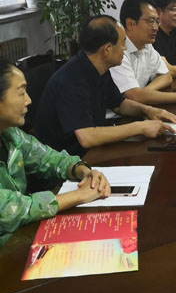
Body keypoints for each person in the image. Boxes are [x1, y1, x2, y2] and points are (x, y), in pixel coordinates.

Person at [0, 57, 110, 247]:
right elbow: (9, 210)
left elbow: (49, 158)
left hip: (17, 239)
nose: (28, 100)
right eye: (21, 93)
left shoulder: (11, 135)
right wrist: (77, 196)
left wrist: (82, 171)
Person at [35, 16, 176, 156]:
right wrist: (140, 127)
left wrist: (148, 110)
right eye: (123, 43)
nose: (125, 48)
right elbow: (87, 137)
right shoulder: (71, 80)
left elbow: (119, 104)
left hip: (90, 150)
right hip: (65, 159)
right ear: (107, 49)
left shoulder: (99, 68)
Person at [109, 0, 176, 105]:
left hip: (137, 107)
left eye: (157, 21)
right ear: (130, 24)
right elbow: (133, 96)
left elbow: (166, 76)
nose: (156, 27)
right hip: (114, 114)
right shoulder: (117, 50)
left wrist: (145, 93)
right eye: (151, 21)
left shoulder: (147, 46)